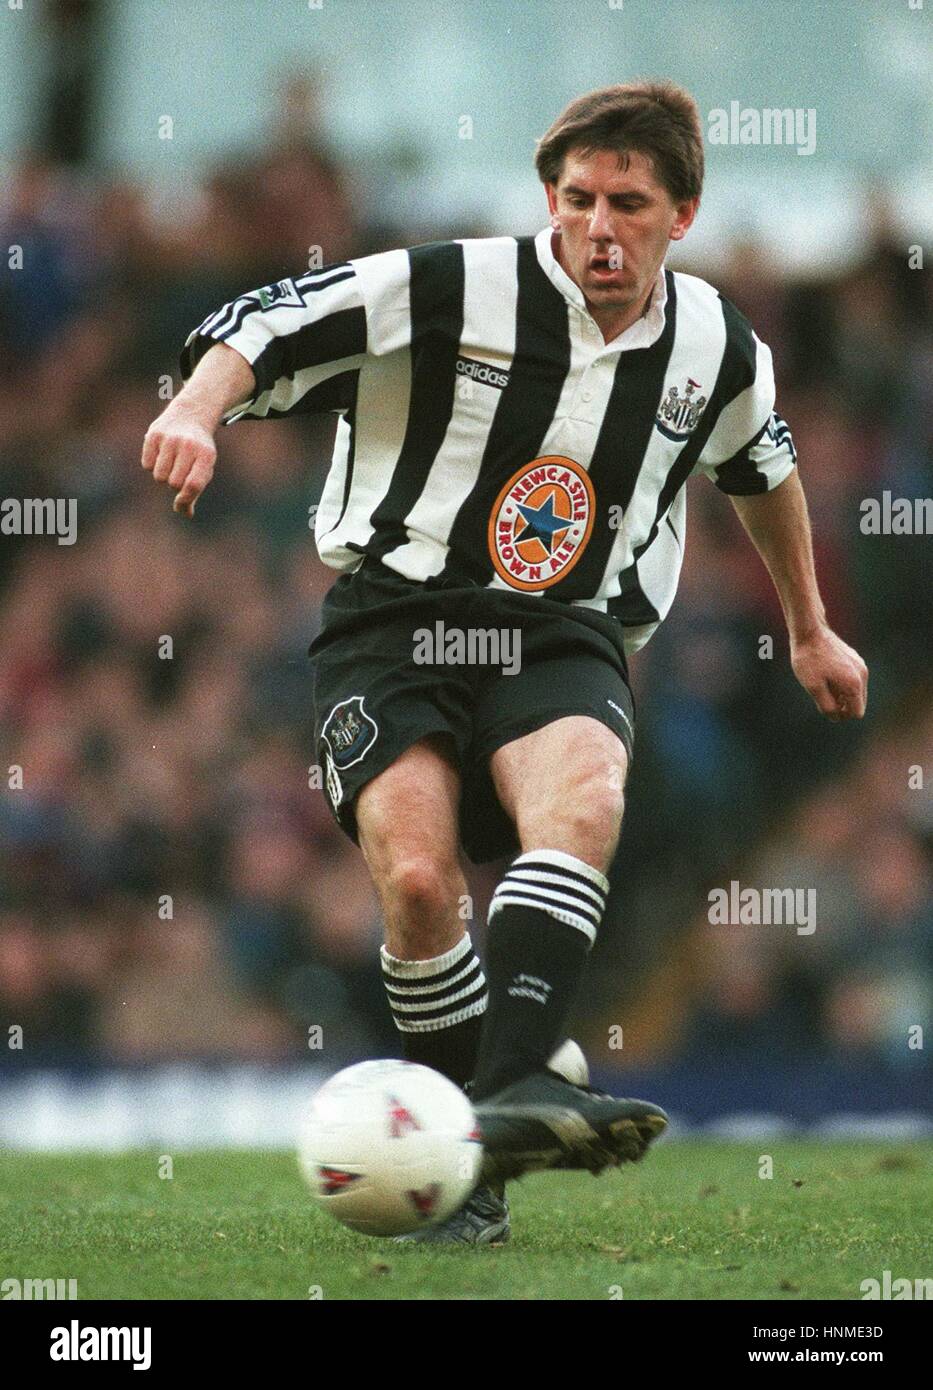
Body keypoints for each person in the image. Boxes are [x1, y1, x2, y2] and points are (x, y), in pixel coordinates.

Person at [142, 80, 868, 1244]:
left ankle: (514, 1088)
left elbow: (761, 464)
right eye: (577, 197)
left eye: (627, 202)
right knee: (421, 886)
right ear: (549, 198)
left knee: (583, 794)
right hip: (395, 622)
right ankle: (473, 1160)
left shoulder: (717, 342)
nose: (597, 224)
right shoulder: (454, 283)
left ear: (682, 214)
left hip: (564, 626)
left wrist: (811, 626)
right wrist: (196, 410)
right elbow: (269, 320)